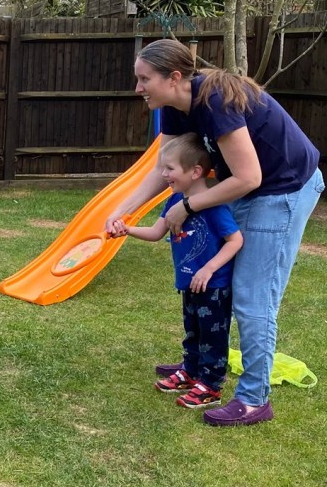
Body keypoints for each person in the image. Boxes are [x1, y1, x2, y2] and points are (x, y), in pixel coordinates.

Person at [106, 39, 324, 426]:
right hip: (246, 186)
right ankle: (201, 366)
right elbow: (164, 168)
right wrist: (121, 210)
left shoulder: (215, 100)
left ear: (174, 77)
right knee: (215, 285)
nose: (138, 88)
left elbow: (249, 176)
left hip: (282, 189)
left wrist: (186, 206)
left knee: (253, 296)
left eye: (144, 79)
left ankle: (255, 399)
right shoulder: (176, 106)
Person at [112, 133, 243, 409]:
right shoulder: (174, 202)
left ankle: (210, 385)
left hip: (213, 286)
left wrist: (208, 269)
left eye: (169, 168)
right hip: (188, 282)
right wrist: (128, 229)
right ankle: (191, 372)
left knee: (212, 335)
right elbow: (156, 232)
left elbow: (235, 241)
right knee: (192, 330)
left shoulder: (213, 206)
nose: (163, 174)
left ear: (195, 171)